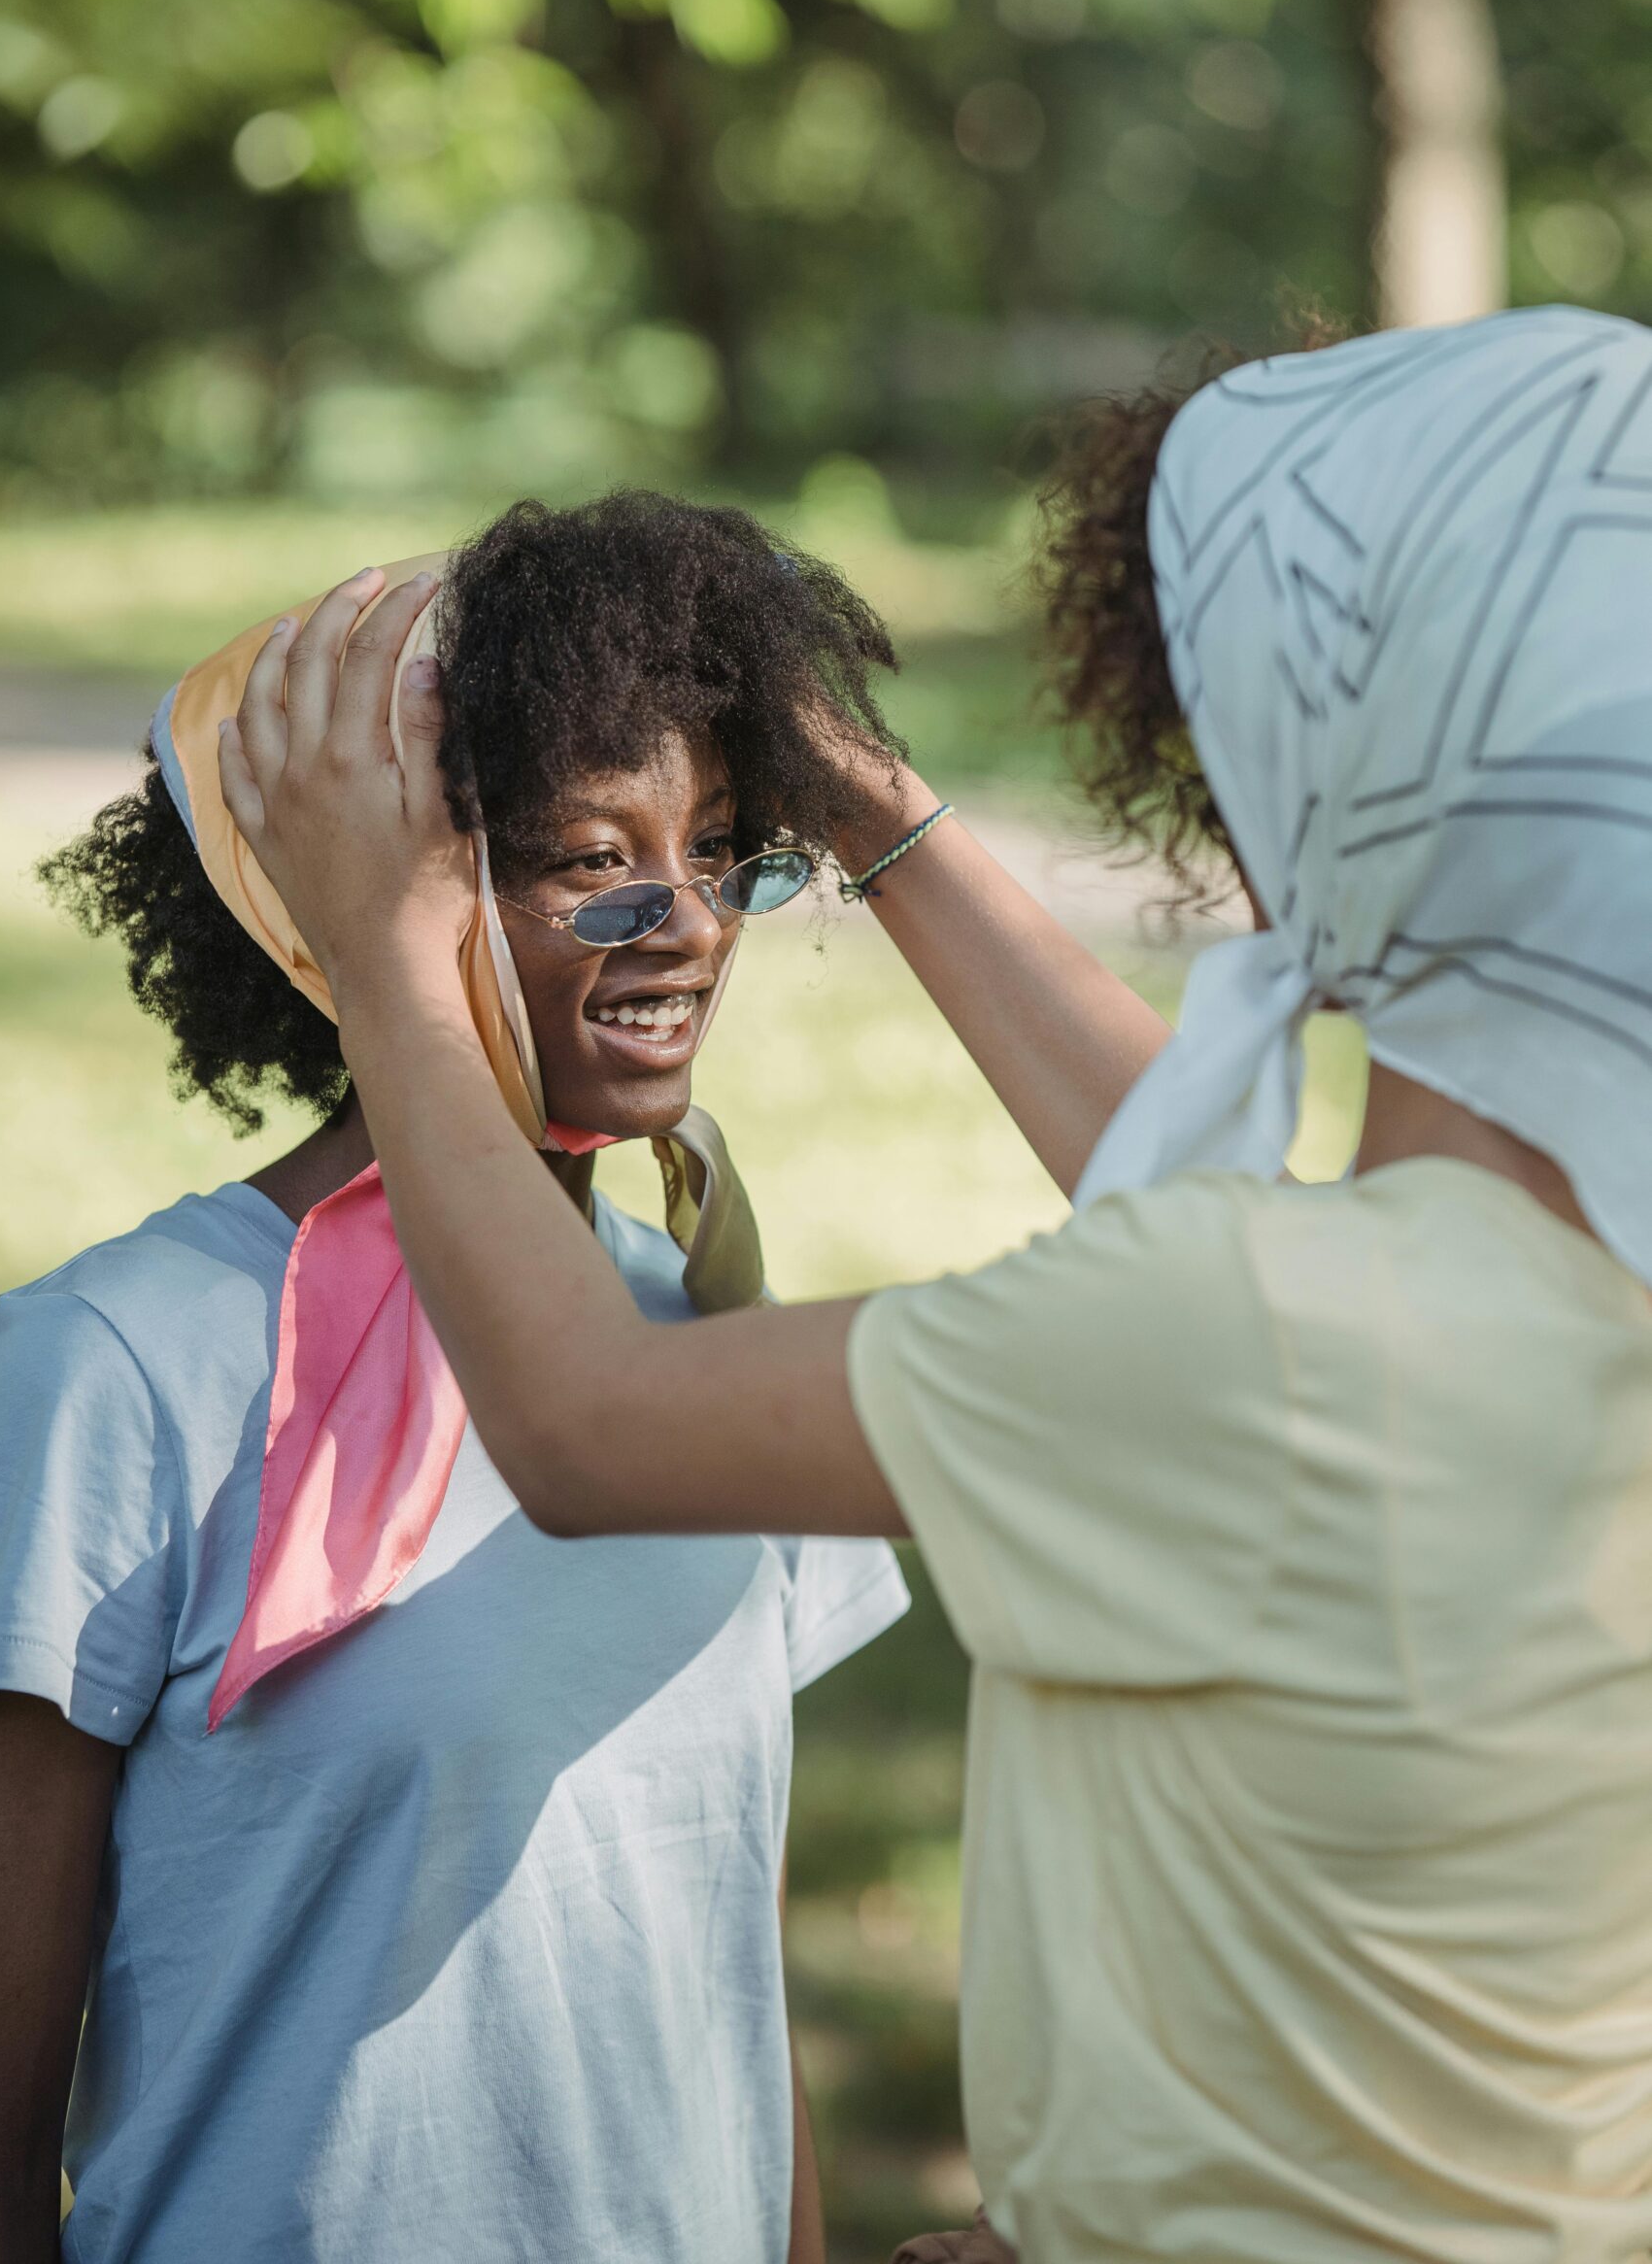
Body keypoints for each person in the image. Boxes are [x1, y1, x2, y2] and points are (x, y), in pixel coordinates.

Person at [219, 305, 1652, 2262]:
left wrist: (387, 939)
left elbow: (580, 1419)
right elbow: (1236, 1208)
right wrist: (867, 805)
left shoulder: (1259, 1337)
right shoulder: (1540, 1301)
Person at [0, 492, 918, 2264]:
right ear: (355, 895)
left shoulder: (712, 1335)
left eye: (726, 847)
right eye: (593, 858)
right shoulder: (113, 1374)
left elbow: (719, 1970)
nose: (698, 926)